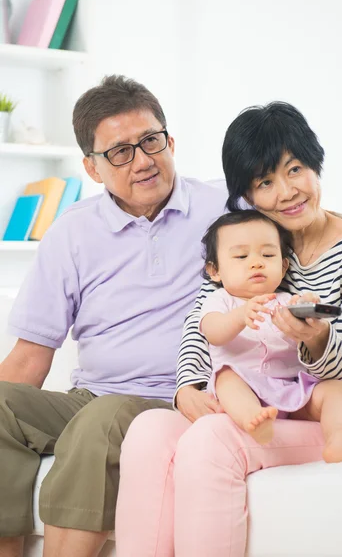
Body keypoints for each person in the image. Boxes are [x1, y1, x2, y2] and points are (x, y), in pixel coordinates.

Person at [115, 101, 342, 557]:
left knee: (214, 440)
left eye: (296, 169)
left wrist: (317, 339)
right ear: (247, 194)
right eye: (265, 182)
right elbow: (202, 319)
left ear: (315, 165)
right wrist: (188, 384)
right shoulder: (262, 242)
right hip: (280, 410)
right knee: (150, 429)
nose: (286, 192)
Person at [0, 75, 227, 557]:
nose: (143, 160)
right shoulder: (71, 232)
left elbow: (310, 222)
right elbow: (29, 358)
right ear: (92, 167)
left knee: (102, 418)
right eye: (120, 151)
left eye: (151, 140)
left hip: (179, 399)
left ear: (170, 140)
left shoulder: (224, 206)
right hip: (92, 398)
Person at [199, 209, 342, 458]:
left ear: (284, 266)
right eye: (241, 256)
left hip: (291, 389)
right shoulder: (220, 300)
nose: (256, 262)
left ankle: (340, 434)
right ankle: (254, 420)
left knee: (335, 389)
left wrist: (306, 311)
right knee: (226, 378)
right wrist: (240, 316)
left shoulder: (285, 301)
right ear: (215, 271)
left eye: (268, 254)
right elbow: (213, 333)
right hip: (246, 389)